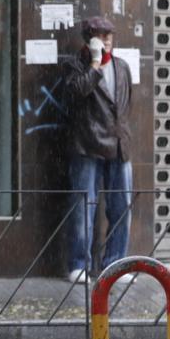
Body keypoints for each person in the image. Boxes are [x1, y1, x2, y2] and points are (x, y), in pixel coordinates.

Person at [57, 16, 133, 283]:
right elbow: (76, 93)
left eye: (110, 35)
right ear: (90, 39)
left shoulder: (122, 67)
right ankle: (79, 264)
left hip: (119, 144)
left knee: (121, 206)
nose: (107, 39)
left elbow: (124, 105)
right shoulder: (74, 66)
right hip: (87, 144)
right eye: (101, 35)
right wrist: (94, 64)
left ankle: (117, 263)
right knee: (83, 206)